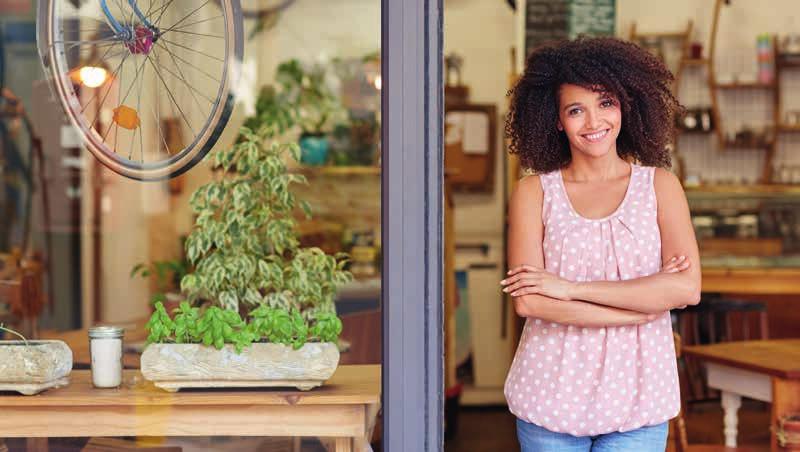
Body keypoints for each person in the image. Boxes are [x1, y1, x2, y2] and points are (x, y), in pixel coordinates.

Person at [499, 36, 701, 451]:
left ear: (626, 105)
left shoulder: (661, 187)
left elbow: (685, 288)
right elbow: (531, 302)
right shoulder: (533, 193)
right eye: (576, 110)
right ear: (556, 120)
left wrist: (569, 288)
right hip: (549, 398)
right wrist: (637, 308)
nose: (594, 122)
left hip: (638, 399)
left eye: (606, 103)